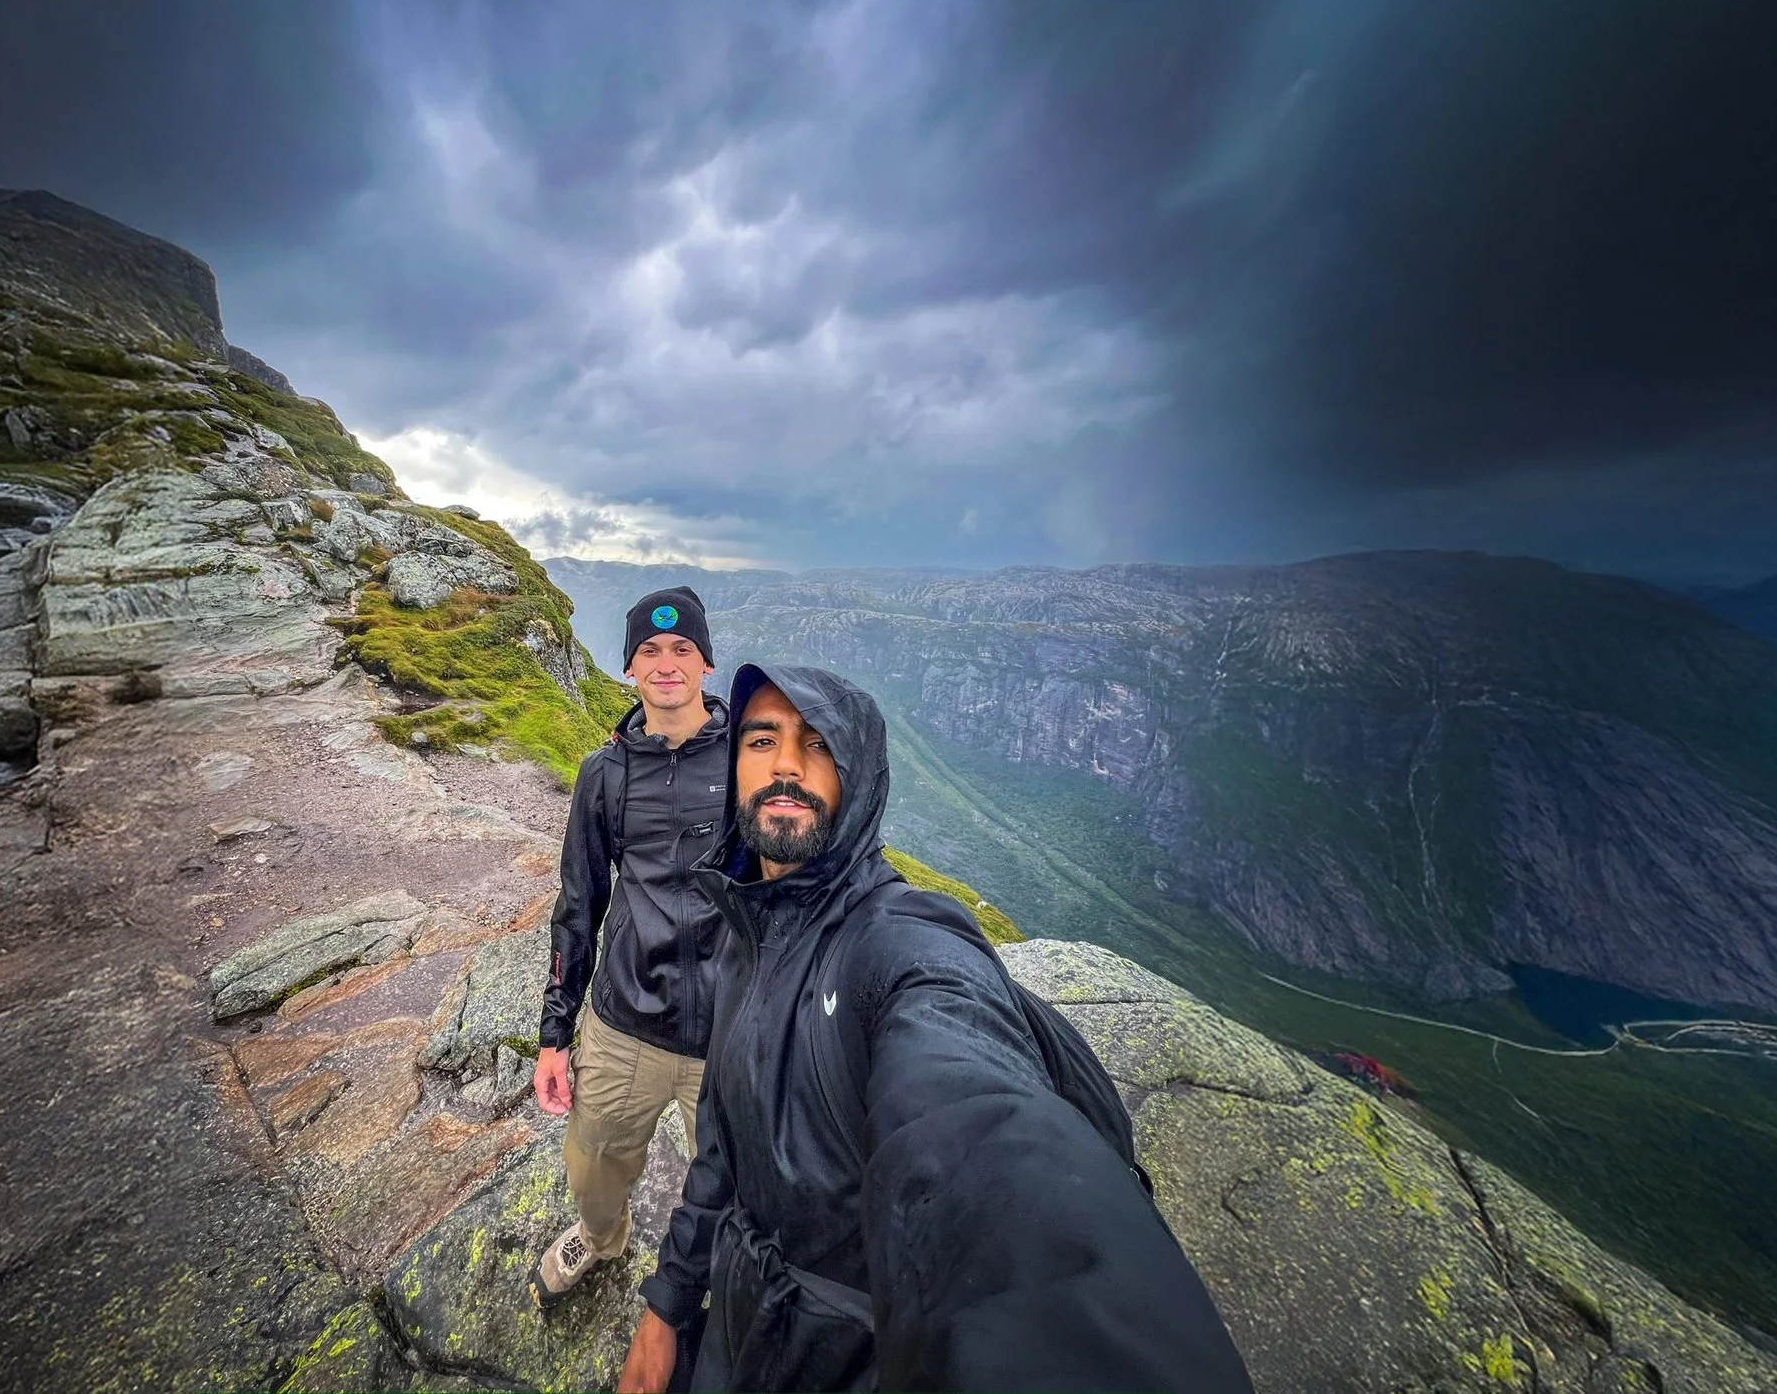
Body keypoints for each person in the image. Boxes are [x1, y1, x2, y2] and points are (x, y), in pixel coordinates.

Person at [618, 663, 1254, 1393]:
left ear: (860, 778)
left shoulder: (900, 946)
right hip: (740, 1332)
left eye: (820, 745)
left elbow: (978, 1134)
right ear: (734, 766)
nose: (787, 764)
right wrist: (667, 1306)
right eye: (763, 739)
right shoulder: (748, 928)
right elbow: (725, 1141)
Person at [530, 587, 733, 1310]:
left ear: (707, 662)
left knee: (743, 1181)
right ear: (629, 669)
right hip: (625, 1025)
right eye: (650, 649)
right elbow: (578, 906)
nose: (667, 662)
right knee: (593, 1169)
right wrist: (555, 1035)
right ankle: (602, 1234)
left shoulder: (749, 765)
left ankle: (726, 1282)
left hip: (732, 1031)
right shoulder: (604, 775)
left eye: (682, 649)